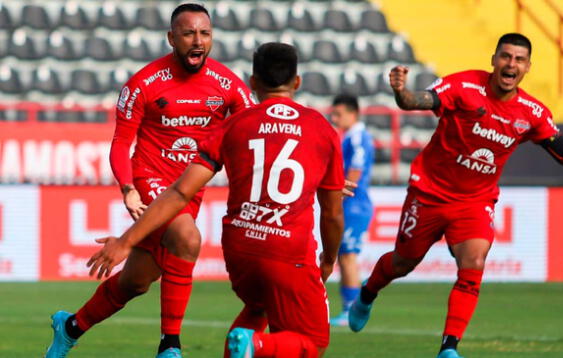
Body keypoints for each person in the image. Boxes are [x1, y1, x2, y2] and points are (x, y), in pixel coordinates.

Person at [347, 33, 563, 358]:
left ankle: (448, 348)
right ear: (494, 60)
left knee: (474, 261)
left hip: (474, 201)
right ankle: (367, 294)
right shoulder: (464, 86)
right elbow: (417, 101)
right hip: (430, 191)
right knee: (403, 262)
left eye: (519, 59)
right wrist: (401, 92)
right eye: (506, 56)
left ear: (528, 67)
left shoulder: (532, 112)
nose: (511, 64)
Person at [84, 42, 345, 358]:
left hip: (240, 255)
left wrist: (126, 241)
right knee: (312, 344)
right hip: (290, 252)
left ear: (253, 82)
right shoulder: (321, 128)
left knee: (256, 307)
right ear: (298, 82)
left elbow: (180, 192)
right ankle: (247, 345)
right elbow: (331, 214)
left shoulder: (235, 125)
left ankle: (76, 326)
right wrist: (329, 260)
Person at [45, 4, 254, 357]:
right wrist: (127, 188)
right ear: (172, 38)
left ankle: (69, 327)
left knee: (136, 282)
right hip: (149, 181)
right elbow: (121, 142)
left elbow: (255, 131)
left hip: (190, 189)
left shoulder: (227, 84)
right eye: (188, 33)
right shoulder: (144, 83)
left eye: (204, 33)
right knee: (187, 239)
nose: (197, 41)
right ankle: (169, 345)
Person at [328, 94, 375, 327]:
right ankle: (350, 305)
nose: (334, 118)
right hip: (350, 204)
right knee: (344, 256)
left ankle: (351, 309)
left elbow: (355, 169)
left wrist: (339, 192)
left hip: (354, 204)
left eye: (338, 114)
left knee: (347, 256)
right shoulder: (351, 137)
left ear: (352, 113)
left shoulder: (357, 137)